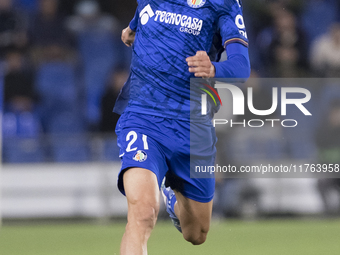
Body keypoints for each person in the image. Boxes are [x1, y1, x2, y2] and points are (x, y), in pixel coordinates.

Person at [115, 0, 250, 254]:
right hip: (144, 117)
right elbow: (143, 10)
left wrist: (213, 68)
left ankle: (171, 195)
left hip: (193, 128)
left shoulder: (223, 4)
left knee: (197, 233)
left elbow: (241, 67)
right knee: (142, 213)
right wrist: (133, 27)